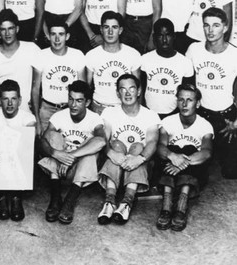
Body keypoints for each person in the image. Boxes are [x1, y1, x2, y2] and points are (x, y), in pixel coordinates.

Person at [39, 80, 106, 224]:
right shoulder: (59, 116)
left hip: (80, 171)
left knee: (91, 148)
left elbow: (101, 141)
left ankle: (70, 200)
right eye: (71, 99)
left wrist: (71, 156)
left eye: (79, 101)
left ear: (87, 103)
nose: (73, 105)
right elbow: (43, 141)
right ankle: (55, 199)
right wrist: (55, 153)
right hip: (58, 168)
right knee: (52, 136)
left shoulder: (95, 119)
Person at [97, 74, 160, 225]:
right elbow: (103, 139)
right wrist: (111, 153)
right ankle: (110, 202)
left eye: (132, 89)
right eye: (123, 89)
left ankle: (126, 202)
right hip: (116, 161)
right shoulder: (109, 113)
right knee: (116, 144)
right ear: (118, 93)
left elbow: (152, 142)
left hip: (138, 163)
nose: (127, 93)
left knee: (138, 146)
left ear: (139, 91)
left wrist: (139, 159)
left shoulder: (150, 115)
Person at [186, 8, 237, 179]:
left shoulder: (234, 54)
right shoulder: (194, 50)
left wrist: (236, 122)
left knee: (230, 172)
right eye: (206, 25)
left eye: (216, 25)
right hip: (201, 115)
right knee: (194, 167)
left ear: (225, 27)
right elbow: (186, 85)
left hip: (226, 119)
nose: (210, 30)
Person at [155, 84, 213, 232]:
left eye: (189, 100)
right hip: (168, 169)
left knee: (189, 149)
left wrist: (182, 162)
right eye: (181, 99)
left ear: (198, 103)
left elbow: (206, 152)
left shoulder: (205, 125)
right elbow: (160, 147)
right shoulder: (167, 121)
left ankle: (182, 204)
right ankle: (166, 206)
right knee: (173, 149)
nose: (185, 104)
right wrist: (173, 156)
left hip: (192, 172)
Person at [0, 79, 36, 221]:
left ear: (20, 100)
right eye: (6, 99)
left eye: (14, 99)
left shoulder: (28, 118)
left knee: (22, 138)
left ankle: (16, 197)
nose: (10, 103)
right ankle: (2, 196)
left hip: (17, 158)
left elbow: (26, 142)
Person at [32, 20, 86, 136]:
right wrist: (37, 118)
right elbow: (35, 89)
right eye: (53, 34)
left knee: (71, 145)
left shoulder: (77, 55)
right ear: (48, 36)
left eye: (61, 34)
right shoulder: (41, 55)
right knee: (45, 146)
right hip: (47, 109)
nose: (57, 39)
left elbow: (83, 89)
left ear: (67, 36)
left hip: (71, 109)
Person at [0, 9, 41, 113]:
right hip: (1, 113)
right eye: (3, 29)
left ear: (17, 29)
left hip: (26, 112)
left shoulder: (32, 49)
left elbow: (42, 80)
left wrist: (37, 99)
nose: (7, 33)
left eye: (11, 28)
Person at [85, 11, 141, 114]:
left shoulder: (133, 54)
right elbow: (86, 88)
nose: (110, 32)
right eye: (106, 27)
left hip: (124, 108)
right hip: (98, 108)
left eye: (114, 27)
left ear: (120, 30)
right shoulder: (91, 55)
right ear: (101, 30)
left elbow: (138, 89)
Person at [140, 19, 194, 118]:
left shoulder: (185, 63)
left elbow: (187, 96)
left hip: (174, 115)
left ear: (174, 36)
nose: (164, 40)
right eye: (160, 36)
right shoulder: (145, 59)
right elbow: (141, 89)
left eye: (168, 35)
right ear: (154, 38)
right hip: (148, 114)